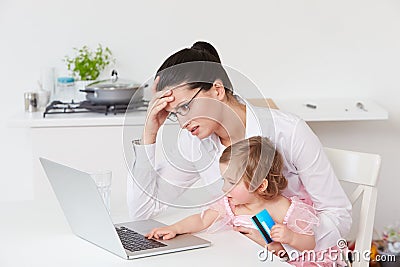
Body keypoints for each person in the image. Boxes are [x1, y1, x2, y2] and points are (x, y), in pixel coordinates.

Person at [127, 41, 351, 252]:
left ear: (217, 90)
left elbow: (338, 215)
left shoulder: (289, 131)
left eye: (185, 107)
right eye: (174, 114)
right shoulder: (194, 141)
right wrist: (150, 133)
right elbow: (142, 212)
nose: (183, 123)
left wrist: (288, 248)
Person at [145, 136, 345, 266]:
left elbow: (310, 243)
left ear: (260, 186)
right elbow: (201, 220)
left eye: (232, 182)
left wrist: (291, 237)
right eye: (224, 180)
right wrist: (174, 228)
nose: (225, 188)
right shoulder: (231, 205)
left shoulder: (284, 208)